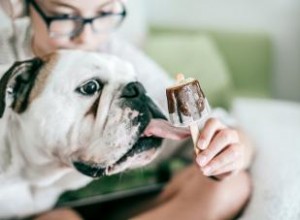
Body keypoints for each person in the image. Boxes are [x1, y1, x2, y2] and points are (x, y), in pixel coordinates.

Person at [0, 0, 254, 219]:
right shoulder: (10, 63)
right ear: (19, 6)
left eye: (104, 14)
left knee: (231, 186)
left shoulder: (114, 56)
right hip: (44, 210)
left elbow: (216, 128)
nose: (85, 37)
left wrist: (229, 150)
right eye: (65, 17)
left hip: (101, 201)